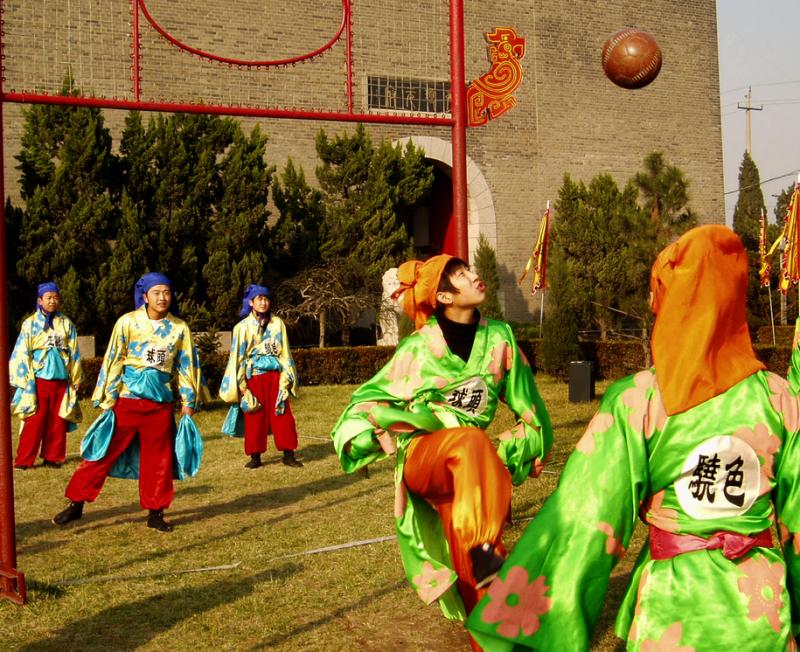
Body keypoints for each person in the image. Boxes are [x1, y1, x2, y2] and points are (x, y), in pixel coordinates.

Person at [467, 225, 800, 651]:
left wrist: (523, 605)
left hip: (673, 613)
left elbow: (585, 519)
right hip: (761, 607)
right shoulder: (780, 399)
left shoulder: (639, 399)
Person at [331, 255, 552, 650]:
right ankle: (485, 549)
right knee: (470, 444)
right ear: (445, 296)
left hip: (471, 469)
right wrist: (370, 436)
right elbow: (363, 403)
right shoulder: (418, 348)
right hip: (426, 457)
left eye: (471, 271)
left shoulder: (500, 337)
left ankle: (489, 626)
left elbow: (532, 411)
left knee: (474, 575)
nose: (476, 276)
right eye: (463, 275)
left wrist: (510, 451)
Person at [52, 272, 208, 532]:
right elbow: (114, 359)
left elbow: (187, 366)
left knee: (159, 461)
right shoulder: (127, 322)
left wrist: (188, 402)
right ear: (145, 296)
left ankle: (156, 512)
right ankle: (76, 503)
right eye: (156, 293)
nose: (162, 297)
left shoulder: (180, 328)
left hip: (159, 404)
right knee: (102, 452)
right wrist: (108, 398)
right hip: (127, 401)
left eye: (166, 292)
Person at [219, 283, 303, 468]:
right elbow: (238, 357)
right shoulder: (241, 327)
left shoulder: (277, 323)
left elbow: (285, 353)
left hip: (276, 376)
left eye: (266, 299)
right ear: (251, 302)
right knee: (254, 416)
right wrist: (242, 386)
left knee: (282, 414)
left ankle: (288, 454)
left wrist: (286, 380)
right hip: (254, 377)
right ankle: (255, 456)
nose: (264, 303)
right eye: (259, 299)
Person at [9, 281, 83, 469]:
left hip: (61, 380)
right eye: (48, 298)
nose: (52, 301)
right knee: (34, 420)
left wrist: (75, 378)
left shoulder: (66, 323)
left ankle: (53, 457)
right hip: (38, 381)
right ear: (39, 300)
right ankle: (24, 459)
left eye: (56, 298)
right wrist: (24, 380)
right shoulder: (30, 323)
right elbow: (22, 351)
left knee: (57, 421)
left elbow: (74, 352)